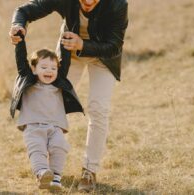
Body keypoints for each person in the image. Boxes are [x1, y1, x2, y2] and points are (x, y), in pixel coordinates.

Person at [9, 0, 128, 192]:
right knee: (49, 99)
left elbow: (114, 45)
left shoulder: (118, 4)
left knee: (99, 109)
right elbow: (25, 10)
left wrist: (83, 44)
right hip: (69, 54)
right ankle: (44, 165)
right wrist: (18, 25)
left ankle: (90, 171)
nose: (88, 2)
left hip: (103, 57)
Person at [10, 32, 83, 191]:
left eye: (53, 68)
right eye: (43, 67)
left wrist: (67, 38)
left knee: (59, 147)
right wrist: (19, 40)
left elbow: (65, 59)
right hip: (33, 126)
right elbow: (21, 60)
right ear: (34, 69)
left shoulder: (59, 82)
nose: (49, 71)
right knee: (37, 149)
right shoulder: (28, 79)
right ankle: (42, 173)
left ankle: (56, 178)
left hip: (55, 126)